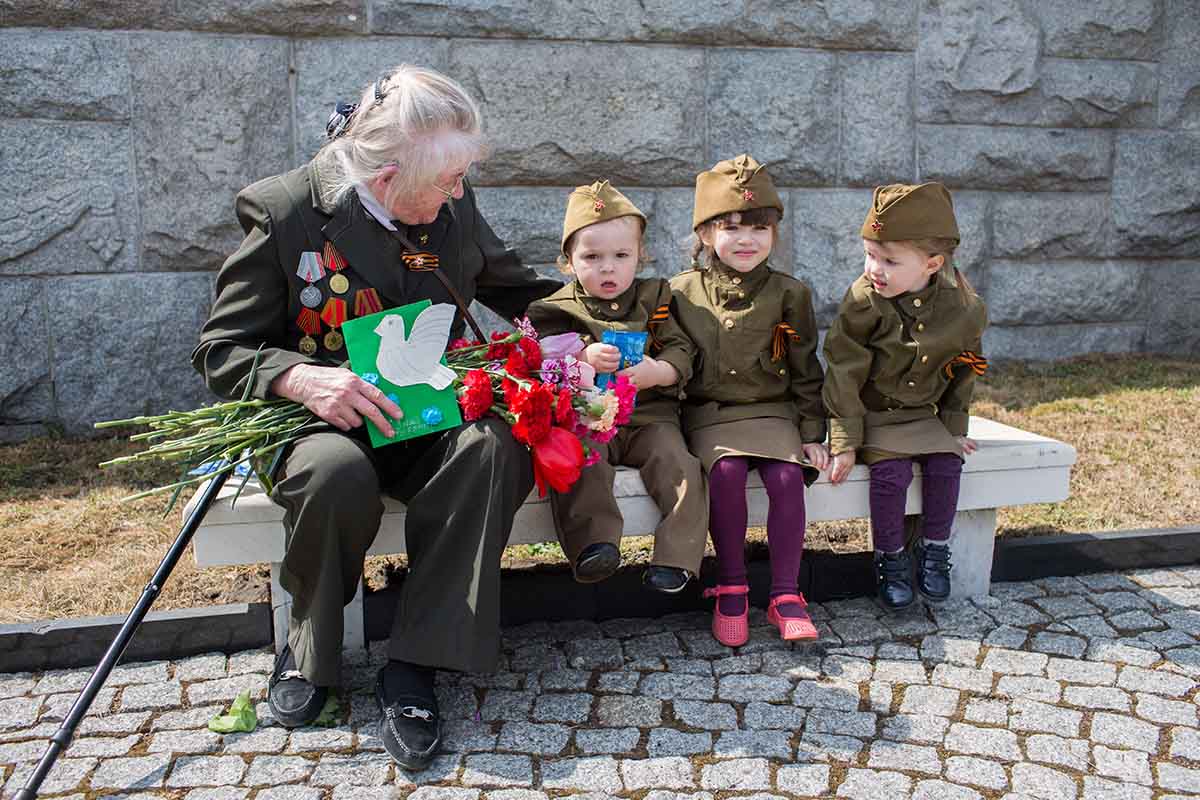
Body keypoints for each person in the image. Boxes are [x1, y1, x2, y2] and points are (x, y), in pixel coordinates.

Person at [191, 65, 560, 770]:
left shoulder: (449, 194)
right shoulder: (286, 210)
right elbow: (221, 350)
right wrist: (299, 377)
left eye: (460, 180)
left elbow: (517, 288)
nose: (458, 195)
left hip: (425, 410)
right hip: (317, 421)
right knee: (334, 475)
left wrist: (589, 328)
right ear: (386, 177)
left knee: (492, 444)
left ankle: (417, 661)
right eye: (444, 184)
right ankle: (308, 657)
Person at [670, 155, 829, 647]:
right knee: (726, 474)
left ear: (774, 234)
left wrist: (811, 433)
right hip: (711, 415)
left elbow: (806, 369)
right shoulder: (680, 293)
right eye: (731, 227)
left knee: (786, 477)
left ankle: (786, 594)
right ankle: (732, 586)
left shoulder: (791, 294)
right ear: (703, 234)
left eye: (759, 227)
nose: (747, 239)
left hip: (772, 411)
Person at [525, 180, 706, 593]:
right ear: (568, 262)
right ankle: (594, 545)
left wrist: (660, 371)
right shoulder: (555, 308)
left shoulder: (656, 297)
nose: (607, 268)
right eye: (591, 257)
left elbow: (681, 346)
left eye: (621, 256)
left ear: (640, 256)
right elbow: (543, 363)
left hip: (651, 417)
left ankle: (677, 557)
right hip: (591, 415)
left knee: (681, 466)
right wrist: (582, 358)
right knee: (583, 462)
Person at [822, 182, 989, 611]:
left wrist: (953, 427)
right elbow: (843, 370)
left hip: (921, 417)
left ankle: (934, 550)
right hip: (873, 415)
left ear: (932, 263)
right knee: (891, 474)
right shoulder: (864, 300)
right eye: (870, 254)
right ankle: (890, 560)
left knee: (947, 464)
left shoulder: (964, 307)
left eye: (889, 261)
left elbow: (965, 367)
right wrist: (844, 440)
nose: (874, 268)